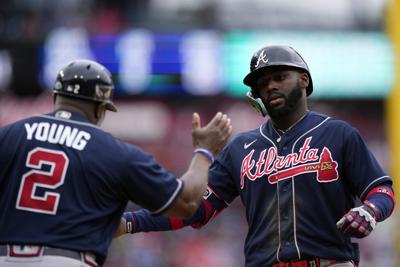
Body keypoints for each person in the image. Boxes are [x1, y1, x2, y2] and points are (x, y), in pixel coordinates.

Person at [119, 45, 396, 267]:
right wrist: (130, 222)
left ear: (304, 79)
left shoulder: (338, 134)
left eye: (279, 77)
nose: (270, 86)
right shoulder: (241, 148)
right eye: (263, 82)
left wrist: (370, 209)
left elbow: (382, 190)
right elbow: (194, 209)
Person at [0, 59, 232, 267]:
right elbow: (186, 203)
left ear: (56, 98)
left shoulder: (9, 136)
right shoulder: (114, 151)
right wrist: (204, 152)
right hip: (67, 258)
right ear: (101, 108)